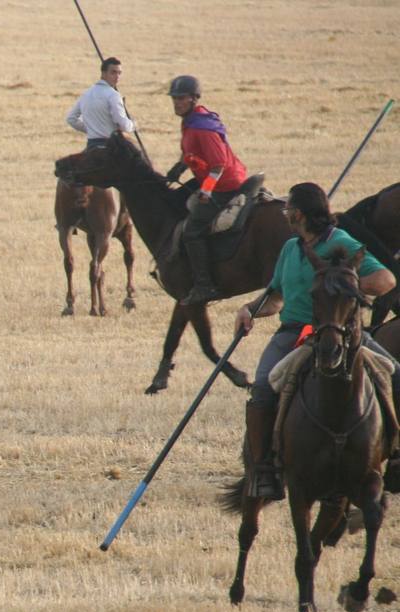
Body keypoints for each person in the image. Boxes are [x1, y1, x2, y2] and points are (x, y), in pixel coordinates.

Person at [233, 182, 398, 499]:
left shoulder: (342, 242)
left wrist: (342, 285)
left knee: (395, 374)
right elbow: (276, 298)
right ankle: (264, 469)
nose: (285, 216)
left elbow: (386, 280)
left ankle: (395, 455)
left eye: (287, 211)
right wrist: (249, 309)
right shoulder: (290, 249)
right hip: (293, 332)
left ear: (297, 214)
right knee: (264, 388)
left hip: (341, 332)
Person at [166, 74, 247, 306]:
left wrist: (208, 191)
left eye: (181, 98)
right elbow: (191, 153)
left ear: (193, 99)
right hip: (210, 180)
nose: (176, 102)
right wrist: (177, 169)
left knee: (192, 229)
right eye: (174, 98)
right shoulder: (191, 122)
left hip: (225, 185)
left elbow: (218, 164)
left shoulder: (202, 128)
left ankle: (204, 285)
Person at [65, 57, 134, 150]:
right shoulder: (113, 95)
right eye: (113, 72)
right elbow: (123, 125)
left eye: (119, 73)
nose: (117, 76)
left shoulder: (86, 93)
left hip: (91, 147)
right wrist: (132, 125)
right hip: (110, 148)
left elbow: (71, 119)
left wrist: (91, 130)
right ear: (103, 74)